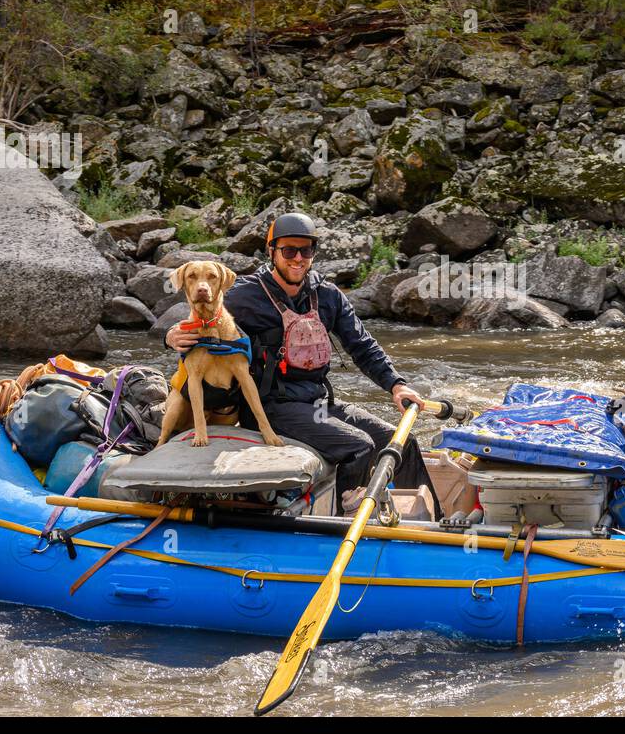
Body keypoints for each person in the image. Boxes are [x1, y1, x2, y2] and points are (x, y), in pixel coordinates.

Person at [165, 212, 437, 516]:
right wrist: (173, 335)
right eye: (288, 251)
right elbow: (203, 316)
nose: (298, 258)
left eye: (305, 251)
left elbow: (362, 345)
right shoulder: (246, 295)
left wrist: (396, 385)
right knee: (358, 446)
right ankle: (343, 520)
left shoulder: (328, 295)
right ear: (272, 252)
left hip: (318, 402)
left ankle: (425, 522)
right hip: (272, 407)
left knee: (402, 439)